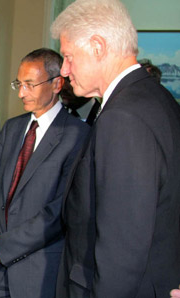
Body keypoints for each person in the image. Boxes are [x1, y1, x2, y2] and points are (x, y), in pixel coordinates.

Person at [51, 0, 180, 297]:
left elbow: (122, 252)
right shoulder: (158, 98)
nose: (65, 69)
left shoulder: (123, 118)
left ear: (97, 46)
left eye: (68, 56)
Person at [0, 48, 89, 298]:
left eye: (30, 84)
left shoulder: (77, 136)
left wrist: (5, 247)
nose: (21, 93)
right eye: (19, 83)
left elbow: (59, 209)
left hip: (38, 272)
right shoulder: (12, 128)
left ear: (57, 83)